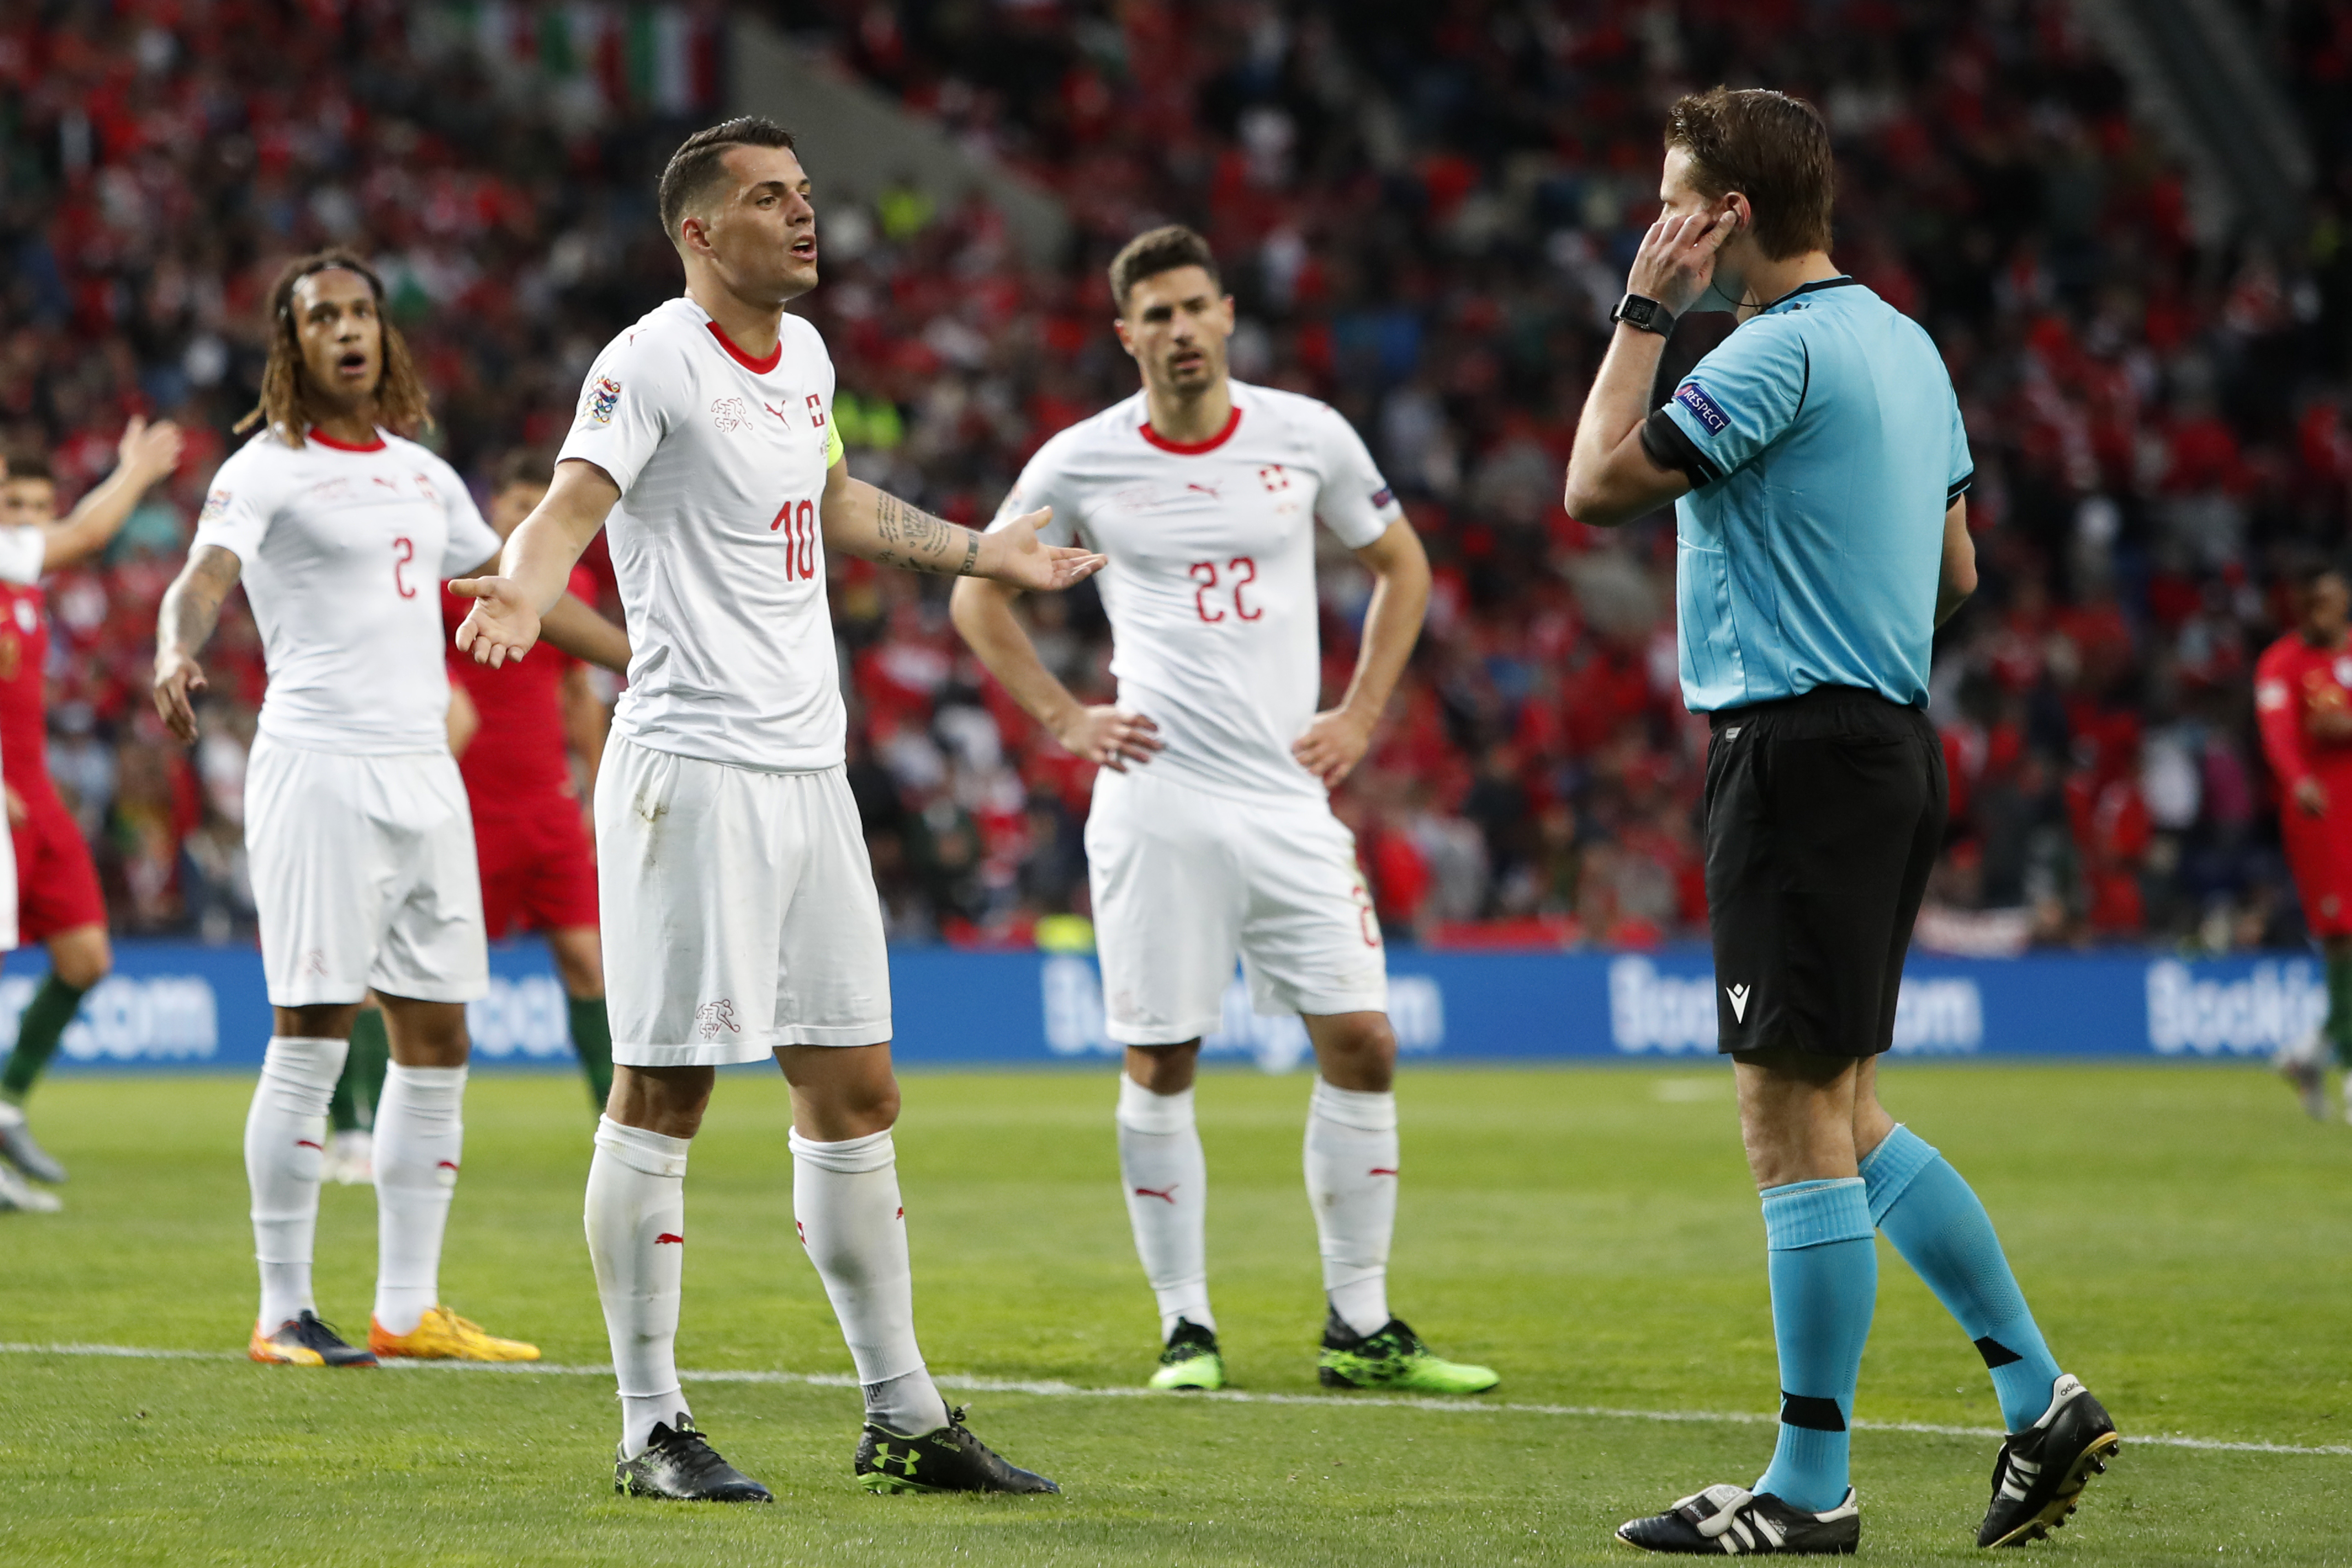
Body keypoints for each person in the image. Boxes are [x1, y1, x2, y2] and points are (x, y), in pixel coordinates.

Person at [451, 116, 1099, 1503]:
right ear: (697, 230)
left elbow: (837, 501)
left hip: (810, 772)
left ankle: (903, 1412)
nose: (803, 214)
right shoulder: (647, 360)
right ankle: (649, 1424)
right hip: (693, 771)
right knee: (663, 1089)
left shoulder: (803, 355)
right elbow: (568, 506)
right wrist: (521, 586)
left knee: (855, 1089)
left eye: (804, 192)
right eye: (766, 197)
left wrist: (987, 553)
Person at [1562, 89, 2118, 1554]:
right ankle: (2036, 1395)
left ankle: (1809, 1486)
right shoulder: (1905, 345)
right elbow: (1954, 574)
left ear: (1725, 215)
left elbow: (1592, 487)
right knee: (1849, 1114)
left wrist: (1642, 311)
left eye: (1671, 202)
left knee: (1786, 1120)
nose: (1657, 223)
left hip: (1795, 758)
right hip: (1885, 744)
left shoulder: (1769, 351)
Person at [950, 225, 1494, 1398]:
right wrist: (1063, 719)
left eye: (1196, 306)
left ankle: (1360, 1325)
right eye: (1157, 314)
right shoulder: (1080, 460)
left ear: (1229, 313)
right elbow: (978, 590)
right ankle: (1184, 1326)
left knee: (1364, 1040)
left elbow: (1403, 565)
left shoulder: (1308, 434)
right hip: (1159, 800)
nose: (1181, 329)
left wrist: (1360, 712)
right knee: (1162, 1054)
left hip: (1288, 796)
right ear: (1126, 335)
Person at [152, 249, 630, 1369]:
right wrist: (175, 646)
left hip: (426, 772)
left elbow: (518, 587)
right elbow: (204, 577)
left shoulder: (424, 473)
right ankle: (281, 1307)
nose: (348, 329)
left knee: (439, 1032)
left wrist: (646, 655)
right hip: (321, 768)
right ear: (293, 343)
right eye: (322, 316)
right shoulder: (266, 468)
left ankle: (407, 1307)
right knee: (315, 1026)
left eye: (361, 311)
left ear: (385, 332)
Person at [320, 448, 618, 1185]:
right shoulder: (446, 587)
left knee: (589, 964)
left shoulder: (571, 587)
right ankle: (360, 1129)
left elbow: (578, 697)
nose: (527, 517)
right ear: (491, 511)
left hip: (548, 810)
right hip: (462, 810)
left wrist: (596, 788)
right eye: (516, 505)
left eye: (539, 504)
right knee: (407, 975)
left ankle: (619, 1135)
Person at [0, 422, 185, 1196]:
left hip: (33, 794)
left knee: (86, 959)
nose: (26, 521)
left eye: (35, 506)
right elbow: (89, 533)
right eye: (11, 504)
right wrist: (135, 471)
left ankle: (7, 1104)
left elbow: (76, 534)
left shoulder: (22, 585)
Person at [2256, 563, 2352, 1123]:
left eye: (2335, 602)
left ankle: (2311, 1054)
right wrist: (2299, 781)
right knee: (2343, 937)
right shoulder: (2282, 663)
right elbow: (2280, 735)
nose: (2328, 614)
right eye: (2317, 604)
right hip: (2322, 813)